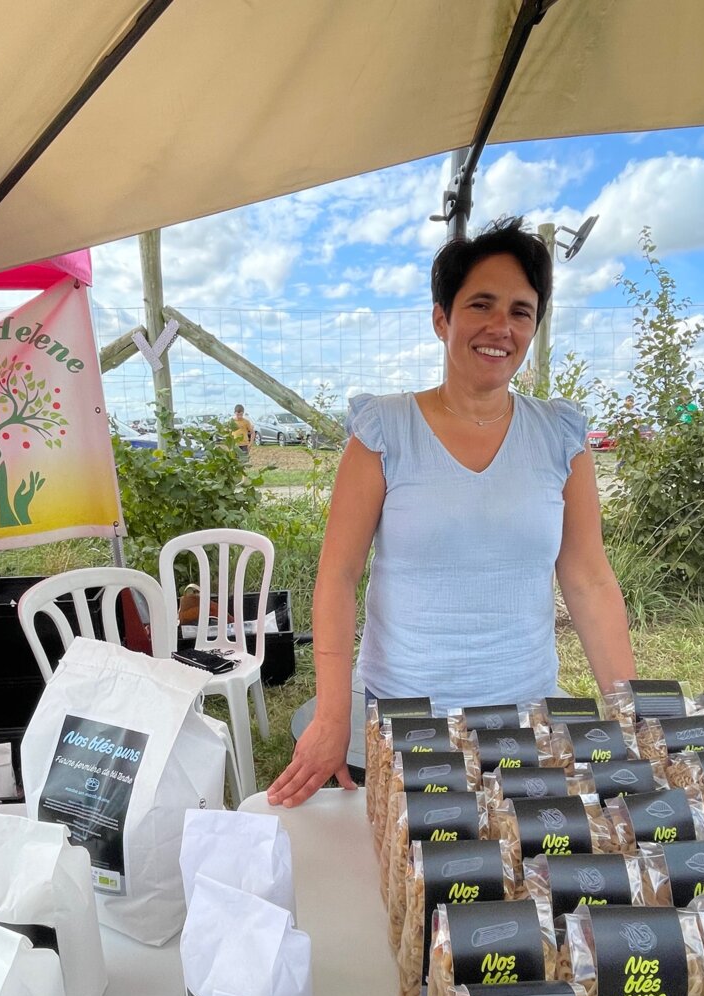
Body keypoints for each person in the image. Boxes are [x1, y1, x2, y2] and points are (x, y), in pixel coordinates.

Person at [267, 217, 636, 808]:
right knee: (413, 860)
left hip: (526, 714)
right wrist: (333, 716)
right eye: (481, 304)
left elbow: (588, 578)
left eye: (521, 311)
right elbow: (338, 574)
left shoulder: (561, 436)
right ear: (442, 319)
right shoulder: (384, 430)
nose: (500, 327)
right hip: (406, 713)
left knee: (520, 860)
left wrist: (631, 711)